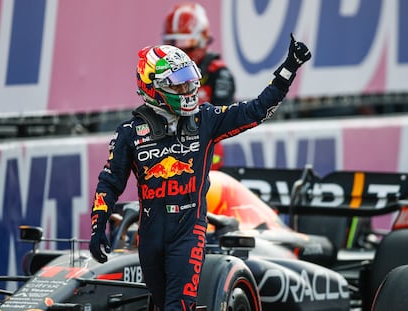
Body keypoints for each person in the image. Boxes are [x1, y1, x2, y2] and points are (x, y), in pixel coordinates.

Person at [89, 34, 311, 310]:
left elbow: (257, 109)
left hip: (188, 233)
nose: (188, 90)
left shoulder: (205, 119)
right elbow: (110, 183)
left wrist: (289, 67)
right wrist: (98, 226)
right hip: (150, 237)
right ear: (153, 88)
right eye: (178, 84)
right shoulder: (129, 133)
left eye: (189, 81)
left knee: (177, 307)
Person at [162, 2, 235, 170]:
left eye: (186, 45)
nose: (180, 51)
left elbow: (222, 119)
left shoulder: (218, 73)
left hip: (206, 151)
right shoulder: (163, 73)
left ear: (202, 41)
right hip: (171, 149)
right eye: (174, 44)